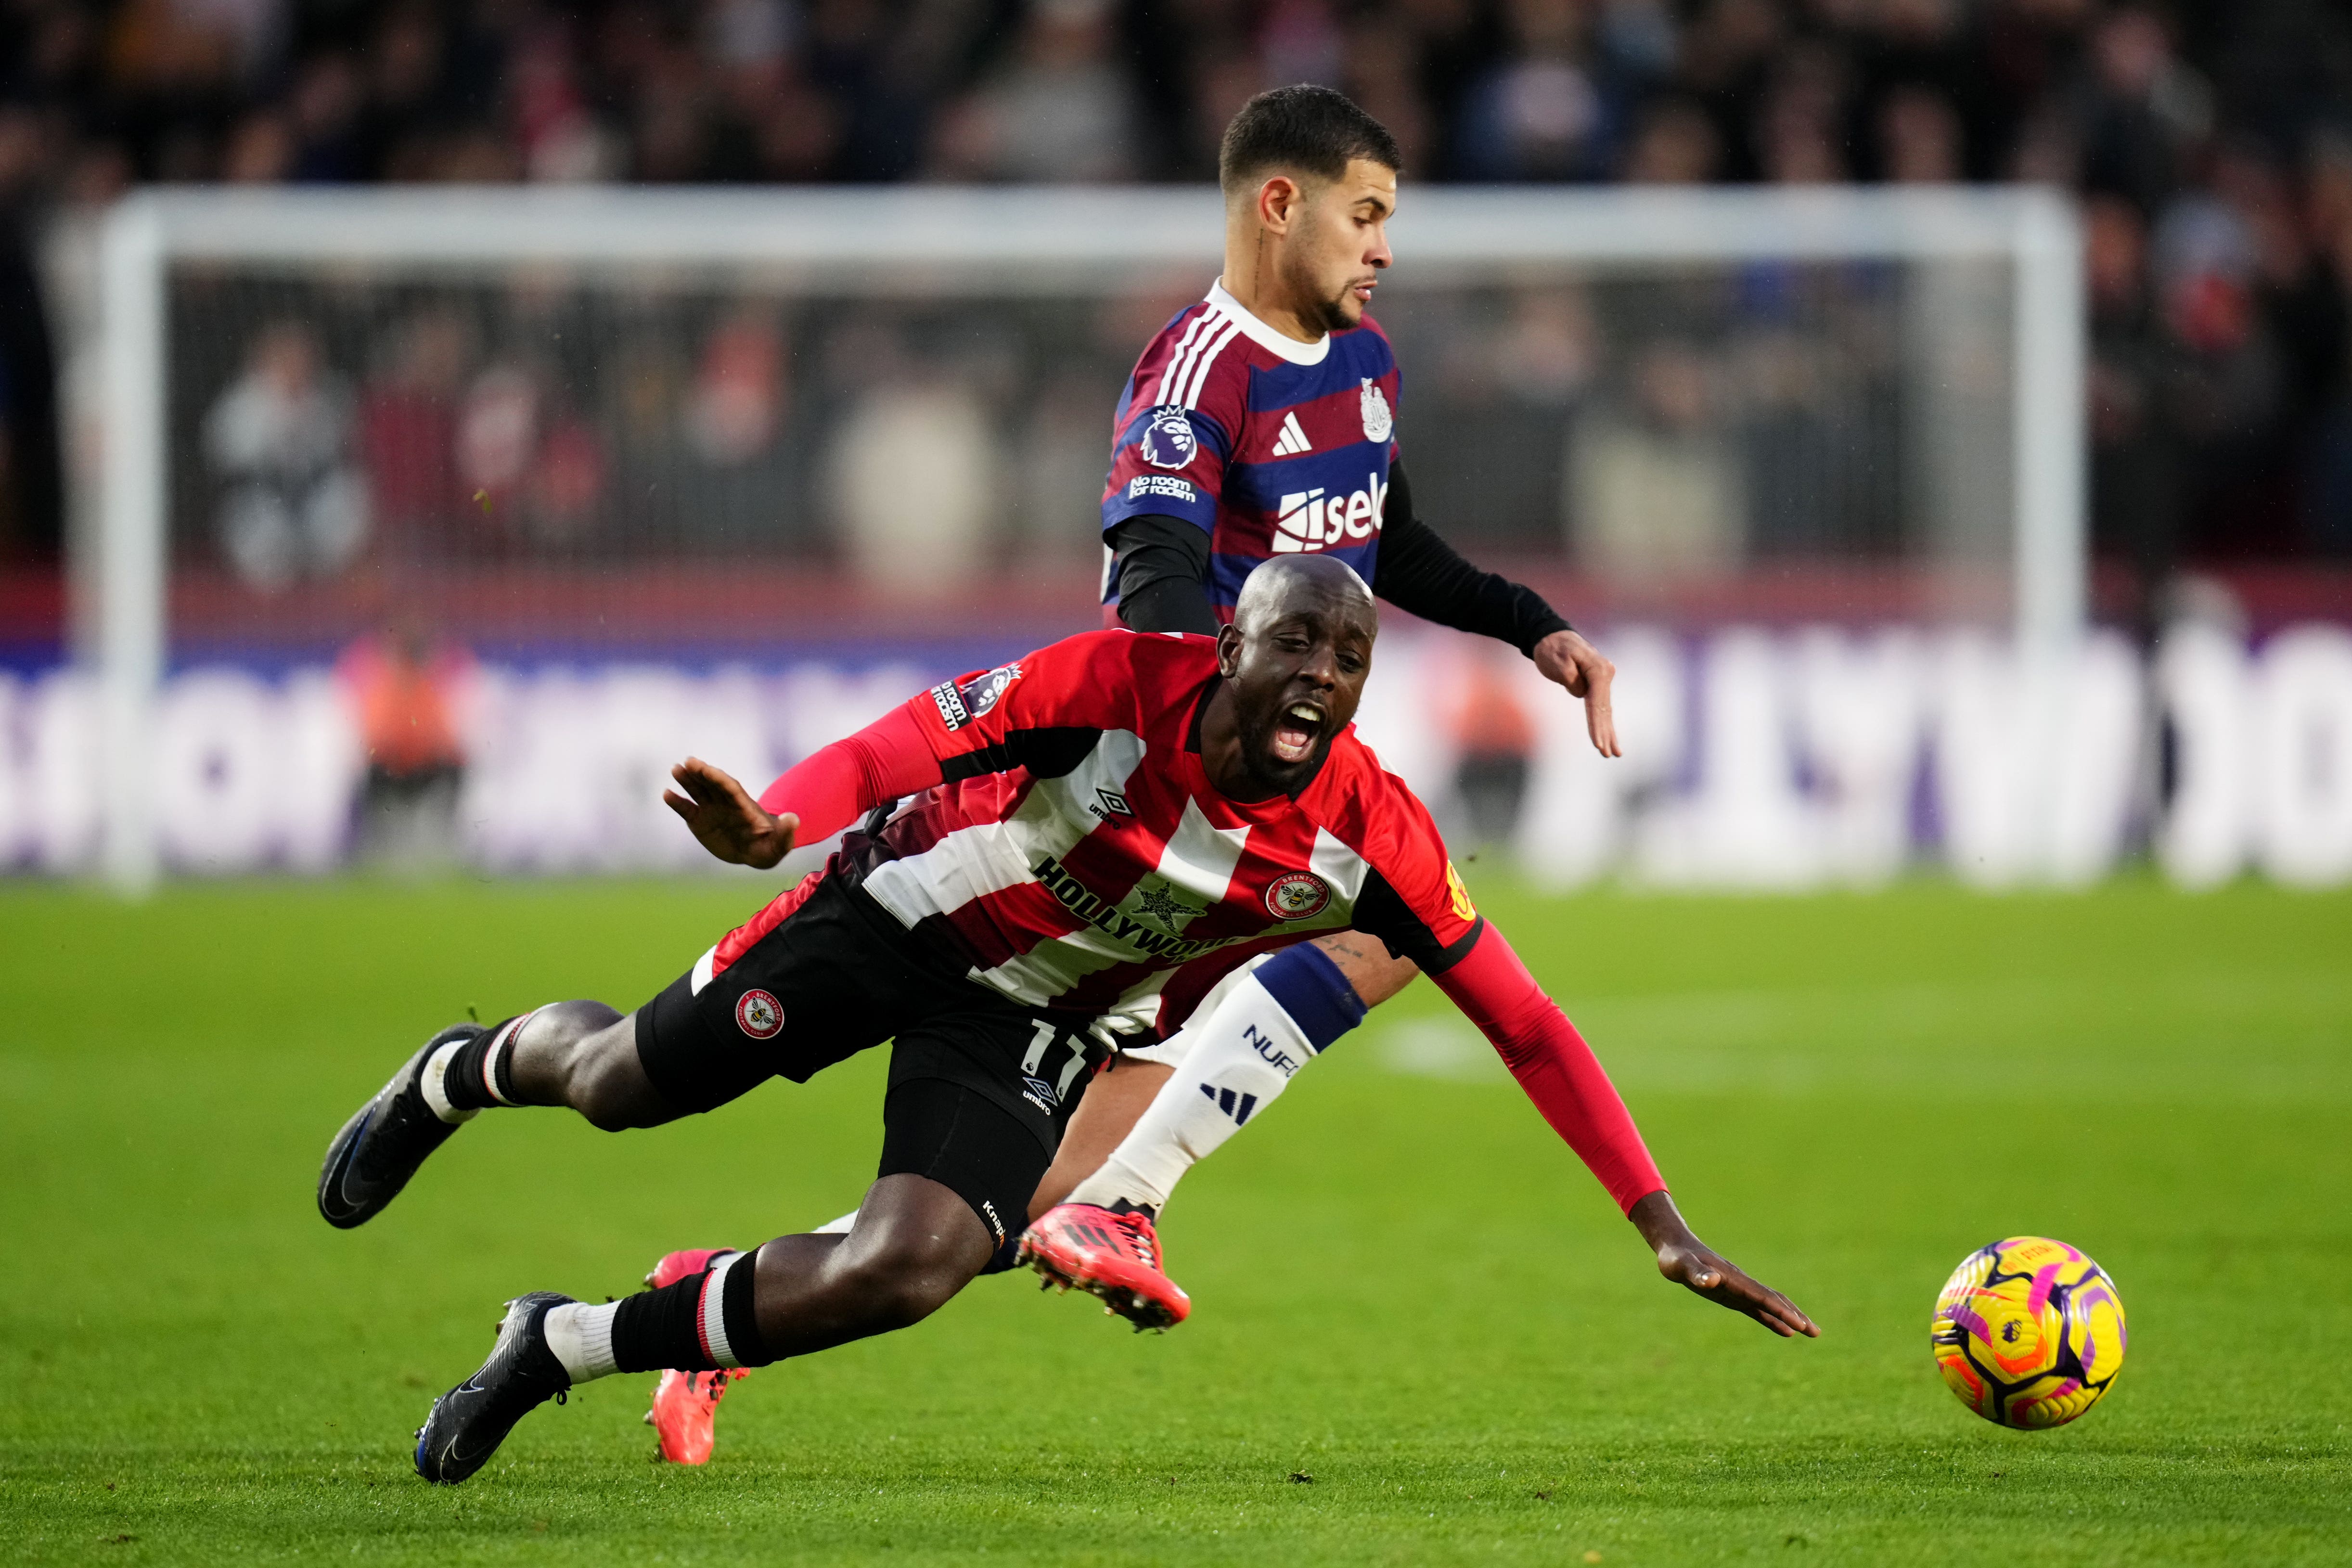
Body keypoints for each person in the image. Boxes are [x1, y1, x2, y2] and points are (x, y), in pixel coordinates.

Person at [316, 556, 1811, 1485]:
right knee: (627, 1084)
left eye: (1348, 666)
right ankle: (452, 1075)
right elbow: (915, 735)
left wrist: (1660, 1222)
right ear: (1236, 645)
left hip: (1029, 1022)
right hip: (893, 916)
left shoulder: (1375, 837)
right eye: (1299, 648)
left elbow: (1530, 1025)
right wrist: (785, 822)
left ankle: (559, 1343)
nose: (1321, 683)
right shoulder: (1111, 688)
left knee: (910, 1270)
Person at [1016, 84, 1626, 1308]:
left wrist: (1528, 626)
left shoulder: (1362, 363)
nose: (1384, 248)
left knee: (1023, 1193)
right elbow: (1153, 587)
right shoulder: (1198, 372)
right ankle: (1120, 1201)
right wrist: (1225, 731)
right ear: (1280, 204)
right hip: (1164, 795)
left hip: (1259, 788)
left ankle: (715, 1314)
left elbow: (1384, 544)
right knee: (1391, 928)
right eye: (1366, 215)